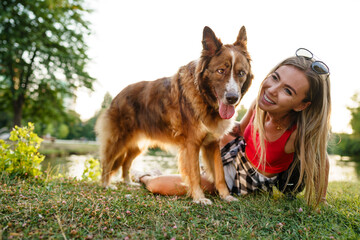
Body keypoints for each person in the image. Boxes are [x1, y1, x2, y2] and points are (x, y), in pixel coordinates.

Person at [131, 48, 331, 206]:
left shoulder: (295, 134)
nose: (272, 90)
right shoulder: (259, 106)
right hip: (234, 153)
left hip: (239, 179)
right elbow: (239, 132)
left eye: (287, 90)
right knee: (202, 128)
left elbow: (323, 161)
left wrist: (320, 200)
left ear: (301, 105)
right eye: (275, 78)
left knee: (159, 186)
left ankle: (145, 175)